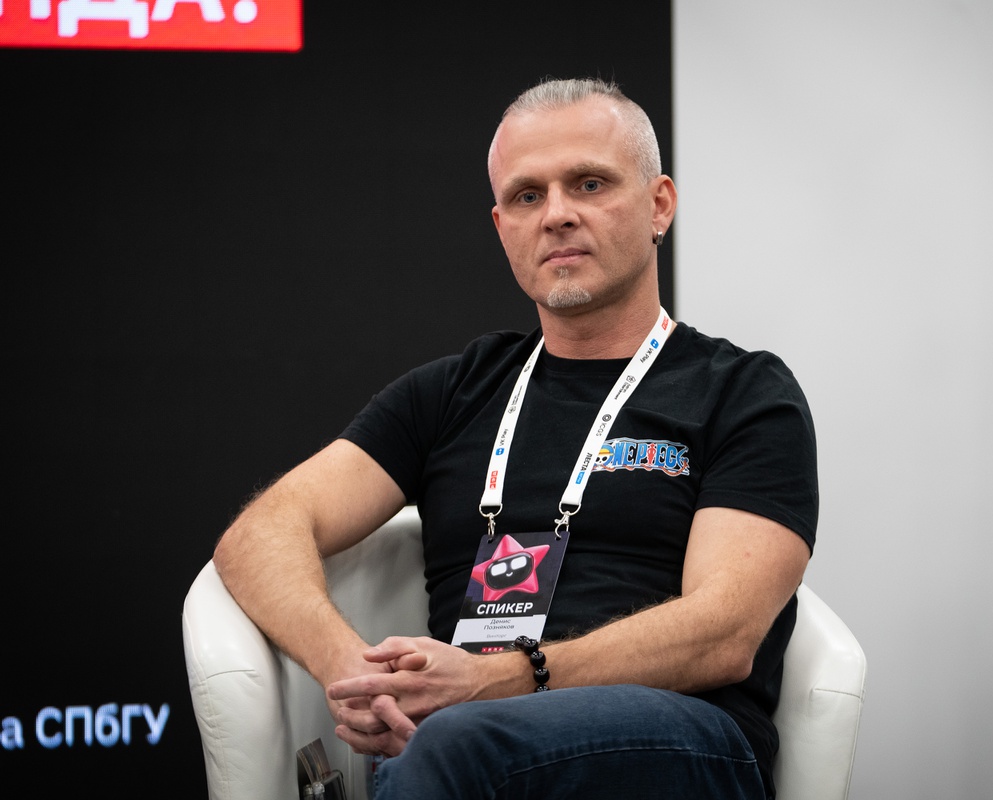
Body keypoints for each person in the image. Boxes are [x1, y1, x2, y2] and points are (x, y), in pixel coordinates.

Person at [212, 77, 817, 800]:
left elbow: (724, 633)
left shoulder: (744, 392)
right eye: (528, 196)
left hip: (682, 740)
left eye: (589, 184)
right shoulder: (452, 391)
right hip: (458, 745)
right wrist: (353, 671)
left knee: (452, 748)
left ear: (659, 205)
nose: (557, 215)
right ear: (502, 228)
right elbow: (260, 534)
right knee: (445, 750)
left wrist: (496, 681)